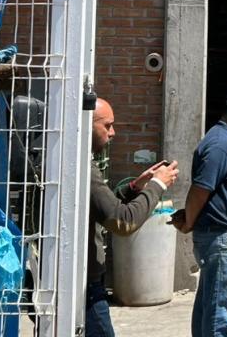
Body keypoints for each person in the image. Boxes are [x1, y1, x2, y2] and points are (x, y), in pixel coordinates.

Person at [85, 98, 180, 337]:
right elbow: (123, 221)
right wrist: (158, 185)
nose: (113, 133)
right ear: (86, 124)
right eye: (107, 125)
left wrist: (136, 187)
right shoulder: (82, 168)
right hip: (85, 287)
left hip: (86, 282)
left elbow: (103, 207)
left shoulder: (78, 162)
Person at [171, 92, 227, 337]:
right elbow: (200, 190)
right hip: (223, 239)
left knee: (210, 304)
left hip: (225, 238)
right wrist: (189, 222)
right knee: (219, 312)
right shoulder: (221, 144)